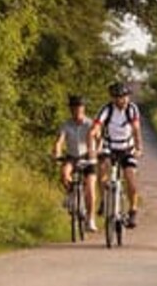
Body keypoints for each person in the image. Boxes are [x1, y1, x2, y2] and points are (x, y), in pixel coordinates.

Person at [94, 81, 145, 228]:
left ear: (128, 97)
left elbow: (136, 130)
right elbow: (97, 125)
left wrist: (139, 147)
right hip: (109, 146)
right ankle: (104, 199)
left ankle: (133, 211)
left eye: (124, 97)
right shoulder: (106, 109)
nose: (121, 100)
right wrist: (95, 141)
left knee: (130, 178)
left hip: (127, 148)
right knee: (102, 167)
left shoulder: (132, 109)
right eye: (117, 97)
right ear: (112, 98)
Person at [51, 94, 99, 232]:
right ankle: (71, 193)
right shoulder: (66, 124)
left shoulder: (90, 124)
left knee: (90, 187)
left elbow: (98, 137)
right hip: (72, 156)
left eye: (79, 107)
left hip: (88, 158)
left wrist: (96, 151)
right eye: (74, 108)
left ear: (83, 109)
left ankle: (90, 219)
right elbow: (60, 140)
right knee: (64, 174)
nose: (76, 110)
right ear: (70, 109)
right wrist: (57, 152)